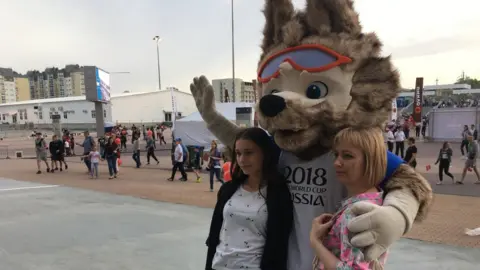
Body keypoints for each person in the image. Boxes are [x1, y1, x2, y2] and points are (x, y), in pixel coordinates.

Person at [206, 127, 293, 270]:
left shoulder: (278, 193)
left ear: (264, 153)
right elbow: (215, 232)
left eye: (249, 153)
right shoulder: (228, 190)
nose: (242, 159)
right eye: (238, 153)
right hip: (219, 265)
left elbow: (279, 244)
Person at [311, 127, 388, 270]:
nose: (337, 163)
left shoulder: (357, 212)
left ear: (370, 160)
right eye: (336, 155)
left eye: (347, 156)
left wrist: (315, 242)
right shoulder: (377, 199)